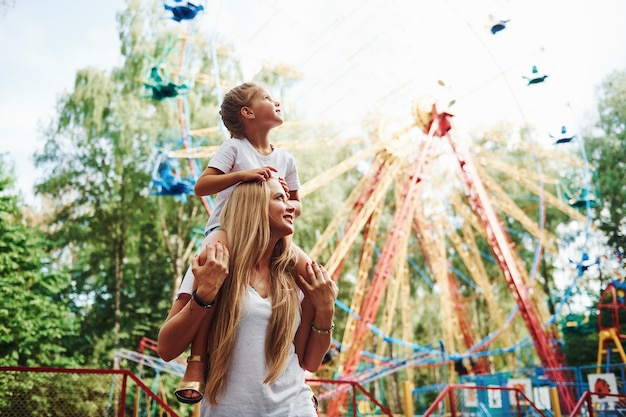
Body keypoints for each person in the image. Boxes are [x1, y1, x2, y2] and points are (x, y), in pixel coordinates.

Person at [157, 178, 338, 416]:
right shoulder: (214, 263)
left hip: (295, 408)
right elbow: (167, 348)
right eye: (279, 198)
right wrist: (204, 295)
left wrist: (326, 310)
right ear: (254, 207)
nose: (292, 206)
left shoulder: (292, 276)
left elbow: (310, 362)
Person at [173, 82, 306, 403]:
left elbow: (298, 203)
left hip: (265, 235)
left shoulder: (285, 159)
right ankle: (196, 361)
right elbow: (202, 185)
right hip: (227, 228)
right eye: (266, 99)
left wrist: (285, 204)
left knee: (313, 273)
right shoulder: (233, 149)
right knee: (210, 283)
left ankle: (301, 373)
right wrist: (242, 176)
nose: (276, 102)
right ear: (247, 113)